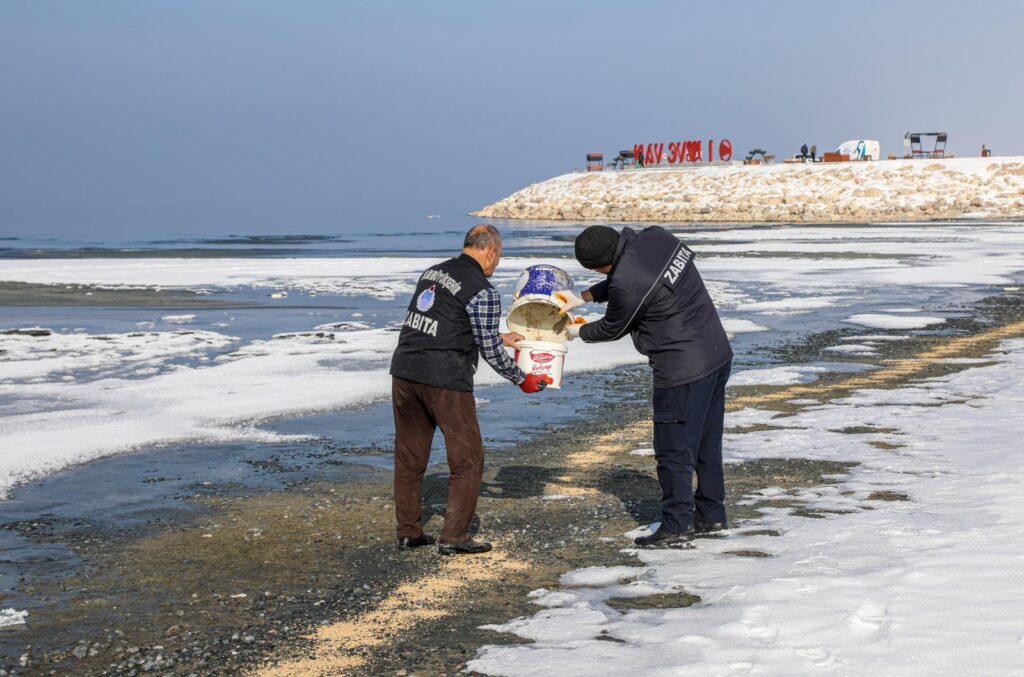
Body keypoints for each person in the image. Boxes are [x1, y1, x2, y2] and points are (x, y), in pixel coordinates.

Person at [556, 225, 733, 548]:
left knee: (674, 451)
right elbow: (637, 274)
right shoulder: (655, 237)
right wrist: (584, 296)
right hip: (715, 353)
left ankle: (677, 527)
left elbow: (613, 326)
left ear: (603, 266)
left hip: (682, 368)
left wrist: (576, 332)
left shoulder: (626, 283)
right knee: (707, 444)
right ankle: (712, 515)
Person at [389, 225, 548, 556]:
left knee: (409, 458)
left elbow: (444, 321)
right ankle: (455, 537)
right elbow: (489, 349)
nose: (497, 264)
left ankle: (409, 532)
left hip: (405, 372)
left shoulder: (433, 272)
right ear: (490, 251)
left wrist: (497, 336)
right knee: (468, 460)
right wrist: (522, 378)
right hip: (445, 380)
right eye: (499, 257)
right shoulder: (484, 290)